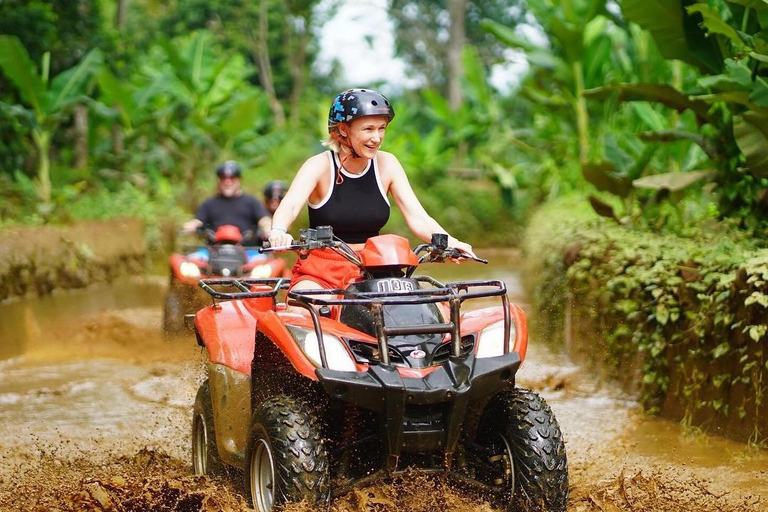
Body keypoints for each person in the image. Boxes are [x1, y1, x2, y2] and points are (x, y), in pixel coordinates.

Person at [268, 88, 475, 293]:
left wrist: (452, 242)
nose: (377, 138)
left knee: (429, 310)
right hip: (322, 270)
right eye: (368, 129)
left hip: (376, 269)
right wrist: (279, 231)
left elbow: (418, 217)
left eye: (381, 128)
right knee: (304, 305)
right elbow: (291, 206)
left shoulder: (388, 164)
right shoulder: (319, 166)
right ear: (342, 130)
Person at [182, 160, 272, 242]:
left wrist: (267, 228)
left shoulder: (252, 202)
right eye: (223, 178)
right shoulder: (208, 204)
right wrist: (190, 226)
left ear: (239, 180)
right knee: (187, 259)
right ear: (219, 181)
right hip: (213, 251)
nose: (228, 182)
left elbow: (264, 219)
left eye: (232, 178)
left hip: (247, 252)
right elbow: (198, 221)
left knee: (268, 259)